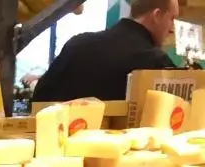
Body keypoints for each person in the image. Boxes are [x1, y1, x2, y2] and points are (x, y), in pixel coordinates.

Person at [31, 0, 178, 103]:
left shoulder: (76, 45)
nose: (172, 29)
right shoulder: (157, 64)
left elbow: (39, 100)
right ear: (156, 15)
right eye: (172, 18)